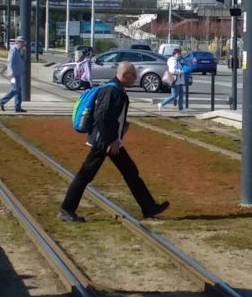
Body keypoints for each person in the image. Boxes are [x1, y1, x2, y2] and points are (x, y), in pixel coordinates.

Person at [58, 61, 170, 222]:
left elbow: (110, 116)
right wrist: (112, 140)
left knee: (130, 172)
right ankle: (66, 209)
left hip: (110, 140)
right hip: (103, 142)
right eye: (133, 75)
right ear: (125, 76)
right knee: (85, 175)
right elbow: (102, 116)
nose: (136, 78)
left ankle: (148, 206)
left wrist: (121, 130)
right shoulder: (112, 91)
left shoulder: (115, 89)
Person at [0, 36, 27, 113]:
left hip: (18, 73)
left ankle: (17, 107)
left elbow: (21, 62)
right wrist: (12, 73)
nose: (24, 44)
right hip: (13, 74)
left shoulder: (20, 50)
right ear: (19, 42)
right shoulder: (13, 49)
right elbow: (10, 61)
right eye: (23, 43)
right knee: (15, 89)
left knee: (18, 90)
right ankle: (2, 101)